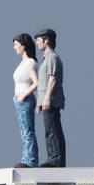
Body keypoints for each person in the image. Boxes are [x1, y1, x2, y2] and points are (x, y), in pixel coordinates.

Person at [35, 28, 66, 167]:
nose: (37, 43)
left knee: (53, 130)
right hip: (46, 101)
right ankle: (53, 158)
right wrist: (39, 102)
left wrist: (47, 98)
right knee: (49, 130)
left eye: (39, 40)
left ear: (46, 40)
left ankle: (56, 159)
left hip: (51, 101)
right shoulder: (46, 58)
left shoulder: (52, 57)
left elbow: (52, 79)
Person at [12, 33, 39, 167]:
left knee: (28, 132)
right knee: (24, 132)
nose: (14, 47)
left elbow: (36, 83)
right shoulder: (22, 63)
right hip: (19, 100)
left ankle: (30, 160)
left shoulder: (30, 63)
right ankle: (26, 158)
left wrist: (23, 96)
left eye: (17, 45)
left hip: (25, 100)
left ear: (24, 46)